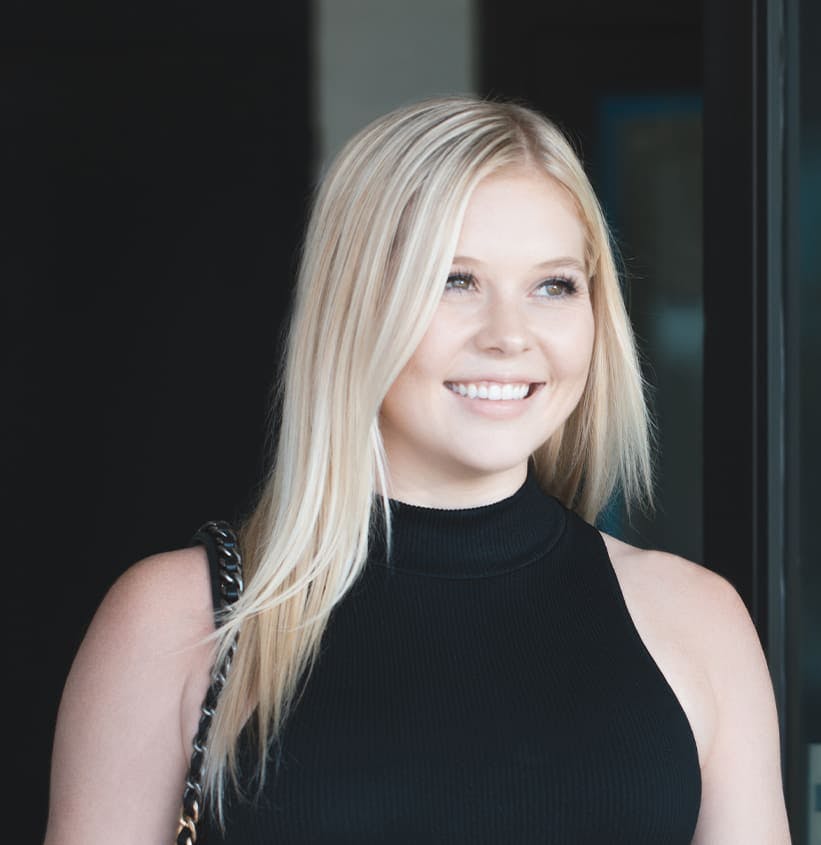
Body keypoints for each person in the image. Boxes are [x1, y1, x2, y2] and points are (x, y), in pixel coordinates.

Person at [44, 96, 791, 844]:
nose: (508, 335)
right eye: (453, 279)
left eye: (553, 284)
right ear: (354, 305)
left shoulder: (695, 621)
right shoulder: (177, 621)